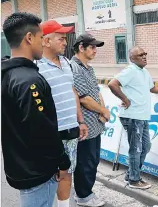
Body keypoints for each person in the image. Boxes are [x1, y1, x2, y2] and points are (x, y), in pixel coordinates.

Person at [1, 12, 71, 207]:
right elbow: (43, 131)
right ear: (29, 38)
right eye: (41, 38)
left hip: (19, 166)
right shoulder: (29, 80)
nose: (43, 42)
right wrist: (62, 162)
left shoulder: (7, 74)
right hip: (37, 171)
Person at [108, 46, 158, 189]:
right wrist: (125, 99)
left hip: (143, 116)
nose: (145, 56)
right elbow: (112, 84)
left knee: (145, 146)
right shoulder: (130, 70)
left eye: (145, 54)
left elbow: (152, 89)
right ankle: (134, 180)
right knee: (136, 149)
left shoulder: (144, 71)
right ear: (132, 58)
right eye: (141, 55)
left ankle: (130, 174)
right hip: (132, 117)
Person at [37, 20, 89, 207]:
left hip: (70, 129)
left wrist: (80, 121)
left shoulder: (66, 63)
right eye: (61, 38)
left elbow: (72, 91)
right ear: (45, 41)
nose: (65, 43)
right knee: (47, 176)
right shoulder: (35, 66)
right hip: (49, 132)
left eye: (65, 39)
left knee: (67, 173)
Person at [70, 33, 108, 207]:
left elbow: (96, 91)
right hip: (85, 125)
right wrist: (102, 110)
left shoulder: (88, 68)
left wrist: (103, 109)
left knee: (93, 160)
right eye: (92, 47)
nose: (95, 51)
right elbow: (83, 98)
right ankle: (83, 196)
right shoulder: (74, 68)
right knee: (85, 162)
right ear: (81, 47)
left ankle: (87, 193)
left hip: (96, 123)